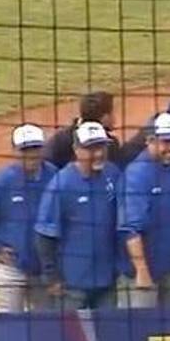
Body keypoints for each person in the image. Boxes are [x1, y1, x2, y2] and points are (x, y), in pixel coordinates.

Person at [34, 121, 121, 310]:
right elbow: (45, 236)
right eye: (91, 148)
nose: (98, 153)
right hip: (72, 285)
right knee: (72, 338)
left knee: (111, 336)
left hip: (108, 280)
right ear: (76, 150)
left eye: (101, 146)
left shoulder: (112, 175)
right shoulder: (61, 185)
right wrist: (52, 278)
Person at [117, 113, 170, 308]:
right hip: (142, 272)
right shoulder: (137, 174)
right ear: (150, 141)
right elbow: (131, 229)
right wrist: (141, 270)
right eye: (166, 142)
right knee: (140, 331)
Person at [0, 125, 56, 312]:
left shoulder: (55, 176)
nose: (31, 154)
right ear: (14, 151)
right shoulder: (1, 181)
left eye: (35, 148)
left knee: (47, 326)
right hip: (11, 268)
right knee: (8, 326)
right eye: (25, 149)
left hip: (45, 269)